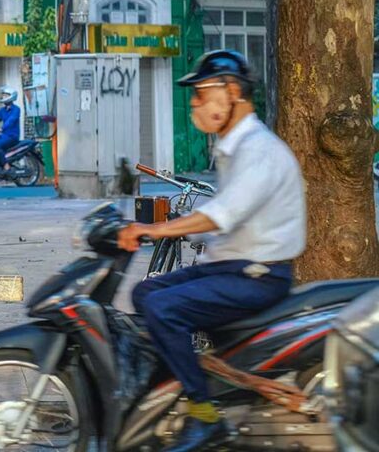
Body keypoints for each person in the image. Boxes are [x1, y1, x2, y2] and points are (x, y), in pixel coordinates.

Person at [119, 50, 306, 452]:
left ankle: (204, 415)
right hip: (228, 266)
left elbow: (224, 213)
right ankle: (178, 385)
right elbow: (227, 216)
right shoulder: (234, 148)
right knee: (145, 293)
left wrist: (156, 229)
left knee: (164, 308)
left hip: (257, 275)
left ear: (233, 92)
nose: (196, 105)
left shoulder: (258, 149)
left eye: (202, 95)